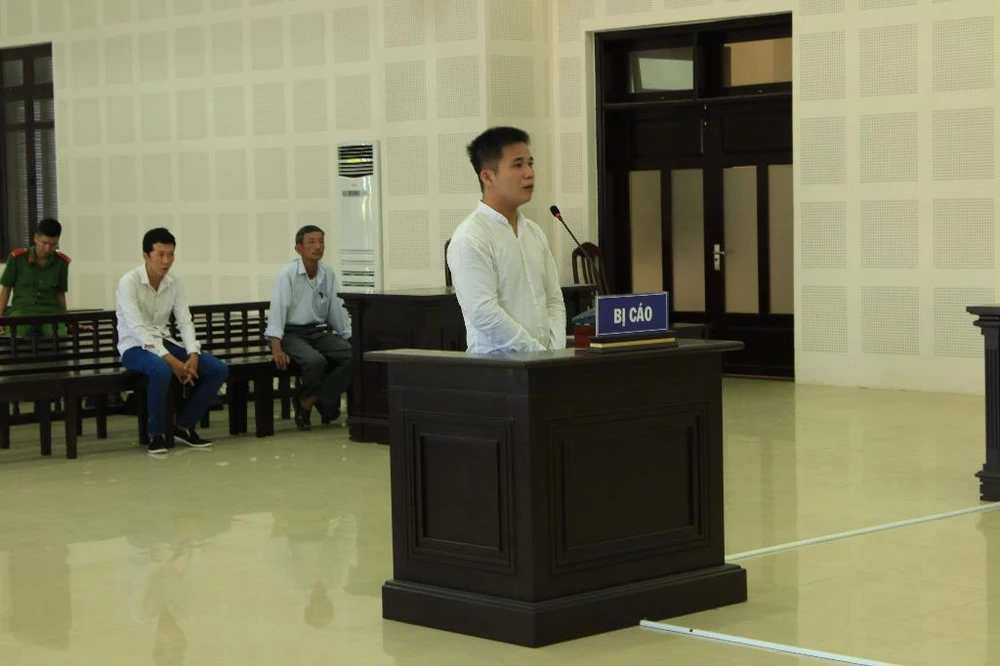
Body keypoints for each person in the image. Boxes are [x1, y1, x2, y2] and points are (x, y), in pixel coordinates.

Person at [446, 126, 566, 354]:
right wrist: (536, 353)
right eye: (518, 165)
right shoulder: (471, 237)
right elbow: (484, 313)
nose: (529, 173)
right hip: (496, 367)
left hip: (545, 362)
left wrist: (555, 351)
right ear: (487, 176)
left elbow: (553, 300)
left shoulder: (534, 233)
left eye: (530, 163)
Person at [116, 228, 229, 456]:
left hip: (165, 341)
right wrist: (172, 361)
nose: (166, 261)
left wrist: (193, 354)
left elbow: (185, 321)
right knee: (161, 370)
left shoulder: (175, 282)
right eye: (160, 254)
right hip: (134, 346)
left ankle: (183, 425)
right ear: (146, 256)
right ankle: (156, 434)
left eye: (171, 254)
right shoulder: (128, 282)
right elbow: (138, 329)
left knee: (218, 369)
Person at [264, 225, 352, 431]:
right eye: (311, 242)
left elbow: (336, 308)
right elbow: (278, 311)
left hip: (315, 331)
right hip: (289, 333)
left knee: (353, 356)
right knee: (315, 362)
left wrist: (348, 336)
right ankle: (315, 400)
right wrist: (276, 348)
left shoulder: (327, 272)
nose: (318, 246)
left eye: (321, 241)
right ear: (299, 249)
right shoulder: (287, 274)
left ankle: (309, 399)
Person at [0, 218, 71, 337]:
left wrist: (67, 321)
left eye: (53, 244)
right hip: (22, 312)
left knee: (59, 338)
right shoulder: (18, 259)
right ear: (36, 238)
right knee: (14, 337)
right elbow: (6, 289)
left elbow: (60, 293)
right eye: (44, 243)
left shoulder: (61, 262)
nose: (48, 249)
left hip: (51, 313)